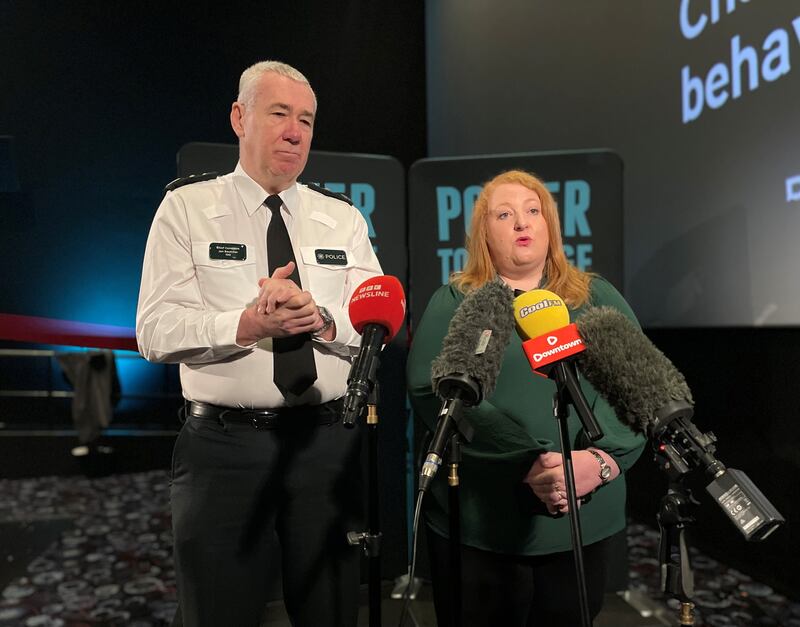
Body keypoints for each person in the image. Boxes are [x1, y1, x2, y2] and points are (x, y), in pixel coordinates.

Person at [136, 60, 382, 627]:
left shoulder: (342, 218)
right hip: (223, 452)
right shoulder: (186, 210)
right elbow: (154, 330)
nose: (296, 131)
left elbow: (375, 324)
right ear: (238, 118)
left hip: (325, 445)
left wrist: (318, 319)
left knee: (333, 613)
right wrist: (244, 326)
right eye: (279, 114)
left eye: (306, 120)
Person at [407, 169, 646, 626]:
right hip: (484, 523)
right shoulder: (456, 301)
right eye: (505, 214)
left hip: (582, 518)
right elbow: (430, 389)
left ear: (550, 226)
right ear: (484, 234)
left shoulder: (595, 296)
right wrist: (525, 460)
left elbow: (636, 388)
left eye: (533, 211)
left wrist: (598, 461)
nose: (522, 223)